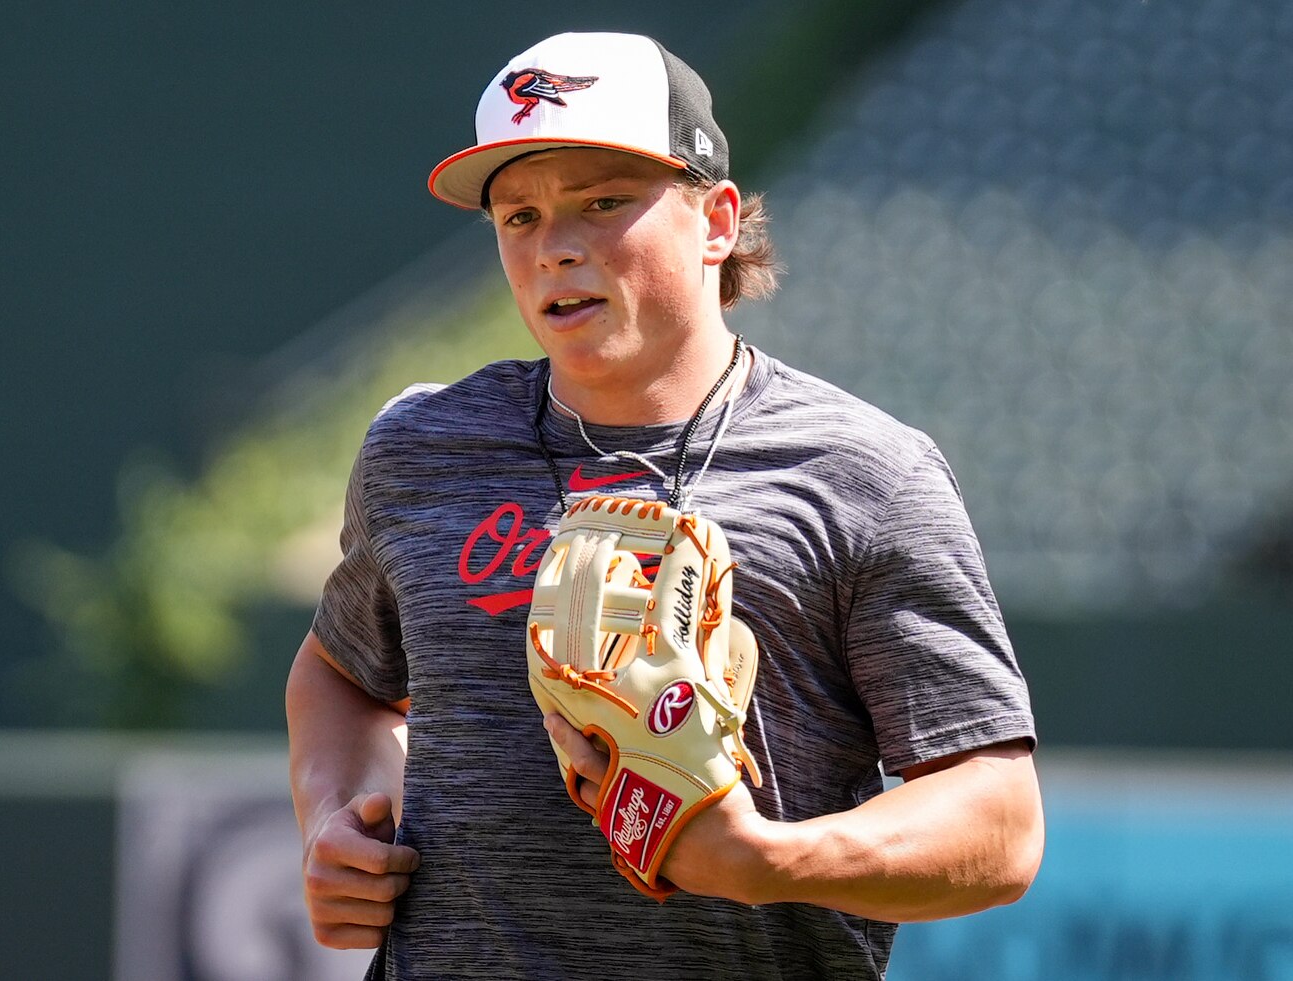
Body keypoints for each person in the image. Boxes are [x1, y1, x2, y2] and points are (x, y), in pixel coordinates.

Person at [287, 31, 1043, 980]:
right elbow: (341, 674)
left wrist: (770, 862)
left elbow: (998, 820)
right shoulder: (423, 445)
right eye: (517, 217)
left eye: (603, 202)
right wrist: (338, 816)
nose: (556, 246)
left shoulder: (863, 472)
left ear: (716, 219)